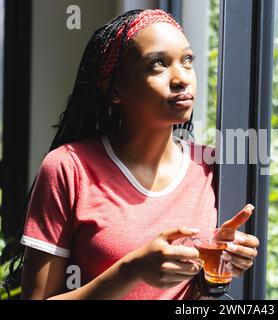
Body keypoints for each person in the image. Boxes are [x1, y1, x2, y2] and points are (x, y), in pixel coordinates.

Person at [12, 9, 259, 300]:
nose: (181, 78)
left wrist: (216, 268)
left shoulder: (213, 168)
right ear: (114, 87)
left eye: (187, 60)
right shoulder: (69, 168)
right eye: (158, 64)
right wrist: (131, 270)